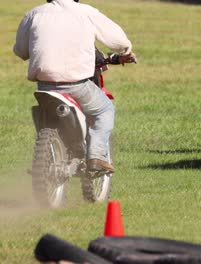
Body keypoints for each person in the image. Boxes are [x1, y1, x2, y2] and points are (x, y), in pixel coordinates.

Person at [13, 0, 136, 173]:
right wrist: (126, 52)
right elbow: (117, 40)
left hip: (44, 88)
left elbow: (20, 51)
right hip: (76, 86)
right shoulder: (85, 12)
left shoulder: (34, 14)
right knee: (105, 110)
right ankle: (96, 156)